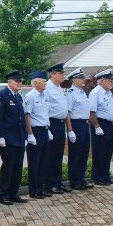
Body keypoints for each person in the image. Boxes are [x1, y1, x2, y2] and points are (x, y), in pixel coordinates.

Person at [0, 71, 28, 205]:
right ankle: (4, 194)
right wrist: (0, 136)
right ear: (9, 82)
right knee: (8, 166)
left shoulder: (18, 96)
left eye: (21, 81)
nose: (20, 83)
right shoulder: (1, 95)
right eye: (17, 81)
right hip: (8, 138)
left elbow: (22, 118)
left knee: (18, 167)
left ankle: (14, 193)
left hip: (19, 137)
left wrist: (25, 136)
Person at [44, 63, 75, 194]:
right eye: (60, 73)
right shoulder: (47, 88)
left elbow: (65, 110)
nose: (63, 75)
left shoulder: (60, 88)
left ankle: (57, 182)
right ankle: (49, 184)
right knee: (50, 155)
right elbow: (44, 109)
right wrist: (47, 128)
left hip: (60, 124)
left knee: (58, 155)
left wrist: (70, 130)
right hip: (51, 123)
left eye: (63, 73)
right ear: (52, 74)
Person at [24, 70, 51, 199]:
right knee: (35, 162)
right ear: (35, 83)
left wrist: (48, 129)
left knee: (43, 161)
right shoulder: (30, 96)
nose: (46, 83)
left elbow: (45, 114)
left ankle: (41, 188)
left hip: (44, 130)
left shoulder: (45, 95)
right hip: (35, 132)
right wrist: (30, 134)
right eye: (43, 81)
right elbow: (27, 116)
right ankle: (34, 190)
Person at [89, 69, 113, 186]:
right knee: (100, 152)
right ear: (101, 80)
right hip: (101, 124)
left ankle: (106, 175)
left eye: (112, 79)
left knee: (108, 151)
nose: (112, 81)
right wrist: (97, 127)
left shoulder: (109, 93)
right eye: (110, 80)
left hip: (110, 125)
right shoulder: (95, 93)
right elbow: (92, 112)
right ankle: (98, 177)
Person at [65, 68, 93, 190]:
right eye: (81, 78)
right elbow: (68, 113)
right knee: (76, 153)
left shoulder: (82, 92)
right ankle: (74, 180)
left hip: (85, 124)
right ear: (74, 79)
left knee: (84, 153)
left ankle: (81, 178)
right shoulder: (70, 93)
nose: (83, 80)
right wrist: (70, 130)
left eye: (83, 78)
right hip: (76, 124)